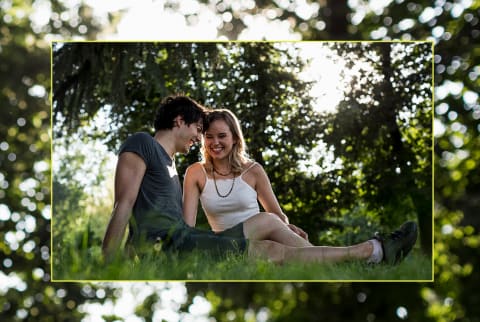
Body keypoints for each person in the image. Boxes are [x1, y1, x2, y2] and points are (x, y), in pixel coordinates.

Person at [182, 109, 418, 264]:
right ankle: (371, 251)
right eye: (209, 137)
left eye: (221, 136)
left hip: (262, 239)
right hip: (224, 241)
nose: (215, 143)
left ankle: (370, 256)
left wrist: (287, 228)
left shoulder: (253, 170)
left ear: (235, 138)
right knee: (267, 220)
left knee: (274, 234)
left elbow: (277, 213)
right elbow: (187, 229)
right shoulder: (195, 173)